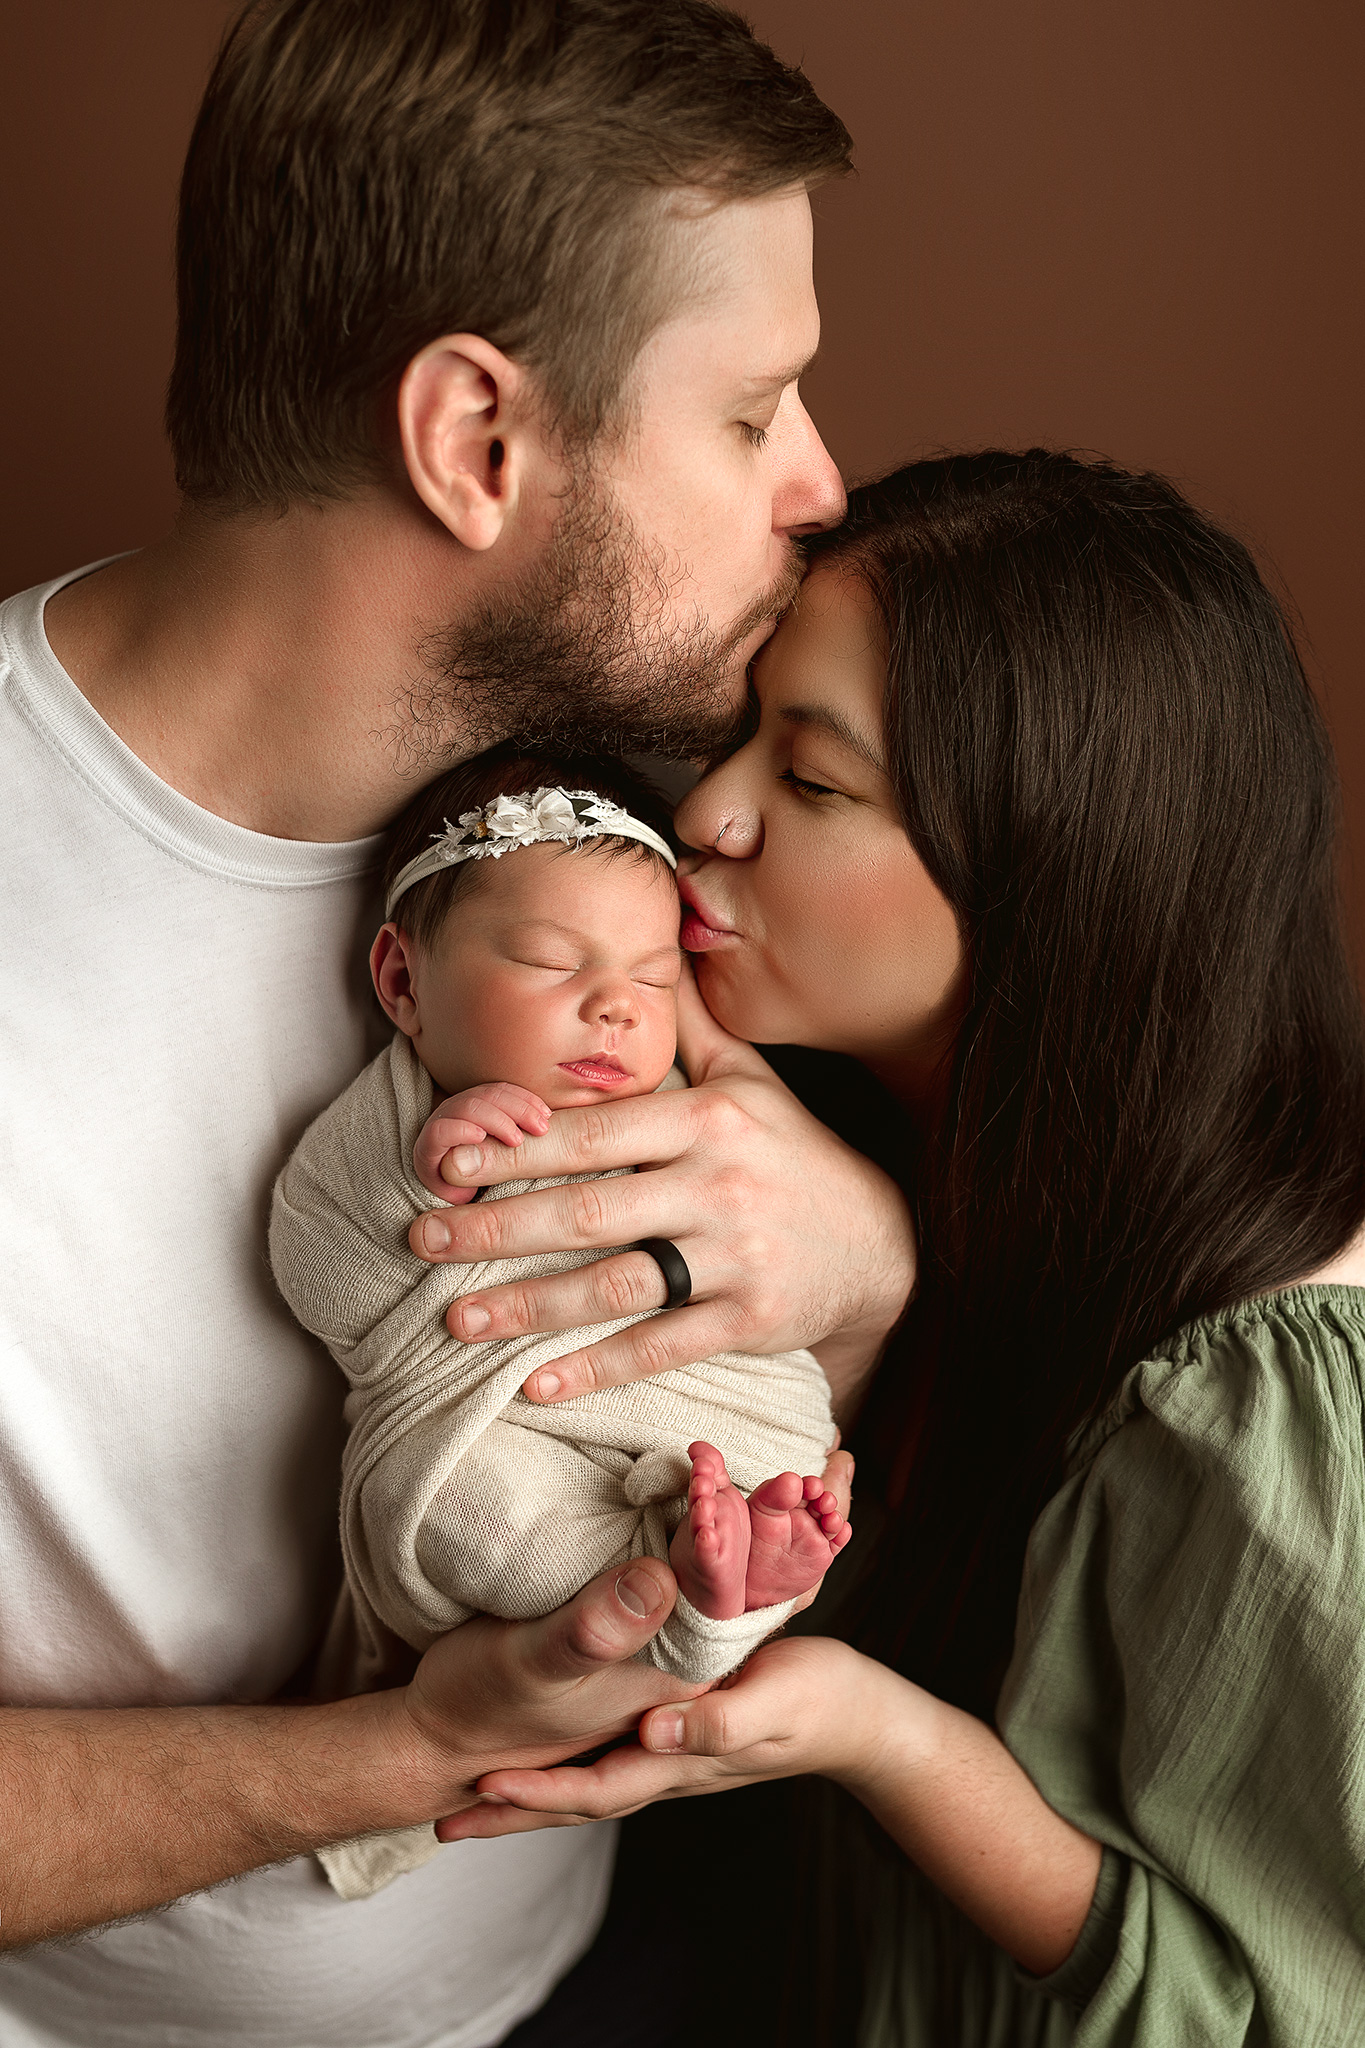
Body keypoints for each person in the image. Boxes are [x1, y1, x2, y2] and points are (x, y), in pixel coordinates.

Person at [0, 4, 909, 2043]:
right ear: (476, 442)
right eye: (754, 408)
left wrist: (860, 1259)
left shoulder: (672, 823)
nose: (820, 487)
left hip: (604, 1972)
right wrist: (404, 1757)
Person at [430, 451, 1365, 2046]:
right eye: (741, 735)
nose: (704, 815)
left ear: (1049, 873)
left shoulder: (1270, 1392)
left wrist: (882, 1737)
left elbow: (1280, 2016)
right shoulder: (816, 1134)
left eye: (812, 783)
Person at [267, 743, 847, 1898]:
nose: (614, 1009)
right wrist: (420, 1190)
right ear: (402, 984)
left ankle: (722, 1561)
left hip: (698, 1412)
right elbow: (316, 1268)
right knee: (447, 1508)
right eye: (547, 959)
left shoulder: (694, 1111)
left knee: (787, 1451)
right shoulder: (383, 1130)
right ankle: (701, 1592)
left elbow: (765, 1270)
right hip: (503, 1437)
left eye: (650, 977)